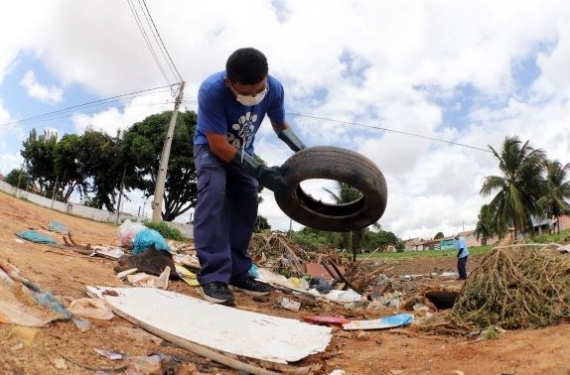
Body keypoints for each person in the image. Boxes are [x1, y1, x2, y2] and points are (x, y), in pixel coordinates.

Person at [192, 47, 306, 305]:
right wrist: (262, 172)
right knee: (214, 194)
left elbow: (280, 126)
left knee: (246, 201)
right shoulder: (211, 91)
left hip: (245, 151)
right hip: (211, 148)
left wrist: (306, 153)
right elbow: (219, 144)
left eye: (259, 90)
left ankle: (237, 273)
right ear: (229, 83)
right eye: (246, 93)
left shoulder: (274, 89)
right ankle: (213, 277)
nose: (254, 97)